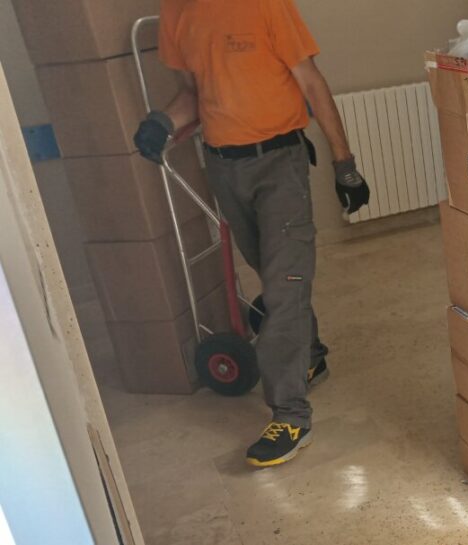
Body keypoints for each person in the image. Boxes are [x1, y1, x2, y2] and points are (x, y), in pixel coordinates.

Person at [134, 0, 371, 468]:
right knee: (274, 273)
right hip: (224, 167)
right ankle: (311, 355)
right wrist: (163, 122)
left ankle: (291, 415)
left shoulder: (265, 4)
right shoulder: (176, 12)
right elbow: (193, 94)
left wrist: (344, 164)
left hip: (279, 163)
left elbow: (311, 82)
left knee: (283, 287)